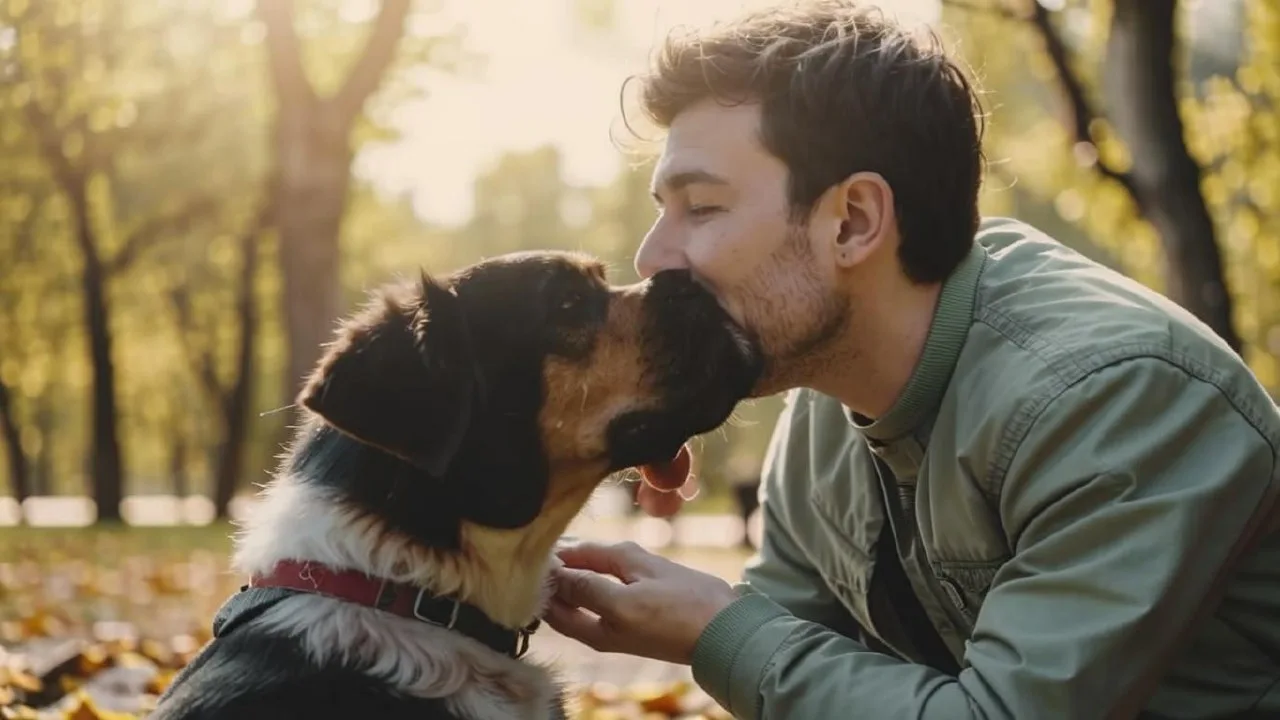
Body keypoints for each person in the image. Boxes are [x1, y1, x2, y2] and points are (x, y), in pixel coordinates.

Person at [541, 2, 1280, 718]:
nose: (650, 257)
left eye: (700, 207)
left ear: (855, 221)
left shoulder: (1115, 399)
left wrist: (718, 630)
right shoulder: (825, 411)